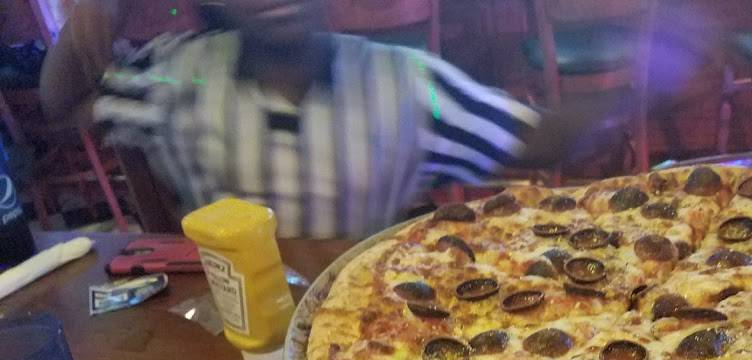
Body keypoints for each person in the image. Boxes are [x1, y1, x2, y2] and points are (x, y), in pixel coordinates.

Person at [40, 0, 634, 238]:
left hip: (369, 327)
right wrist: (96, 14)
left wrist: (645, 86)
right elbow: (62, 104)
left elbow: (539, 138)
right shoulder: (177, 78)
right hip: (235, 344)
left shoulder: (401, 82)